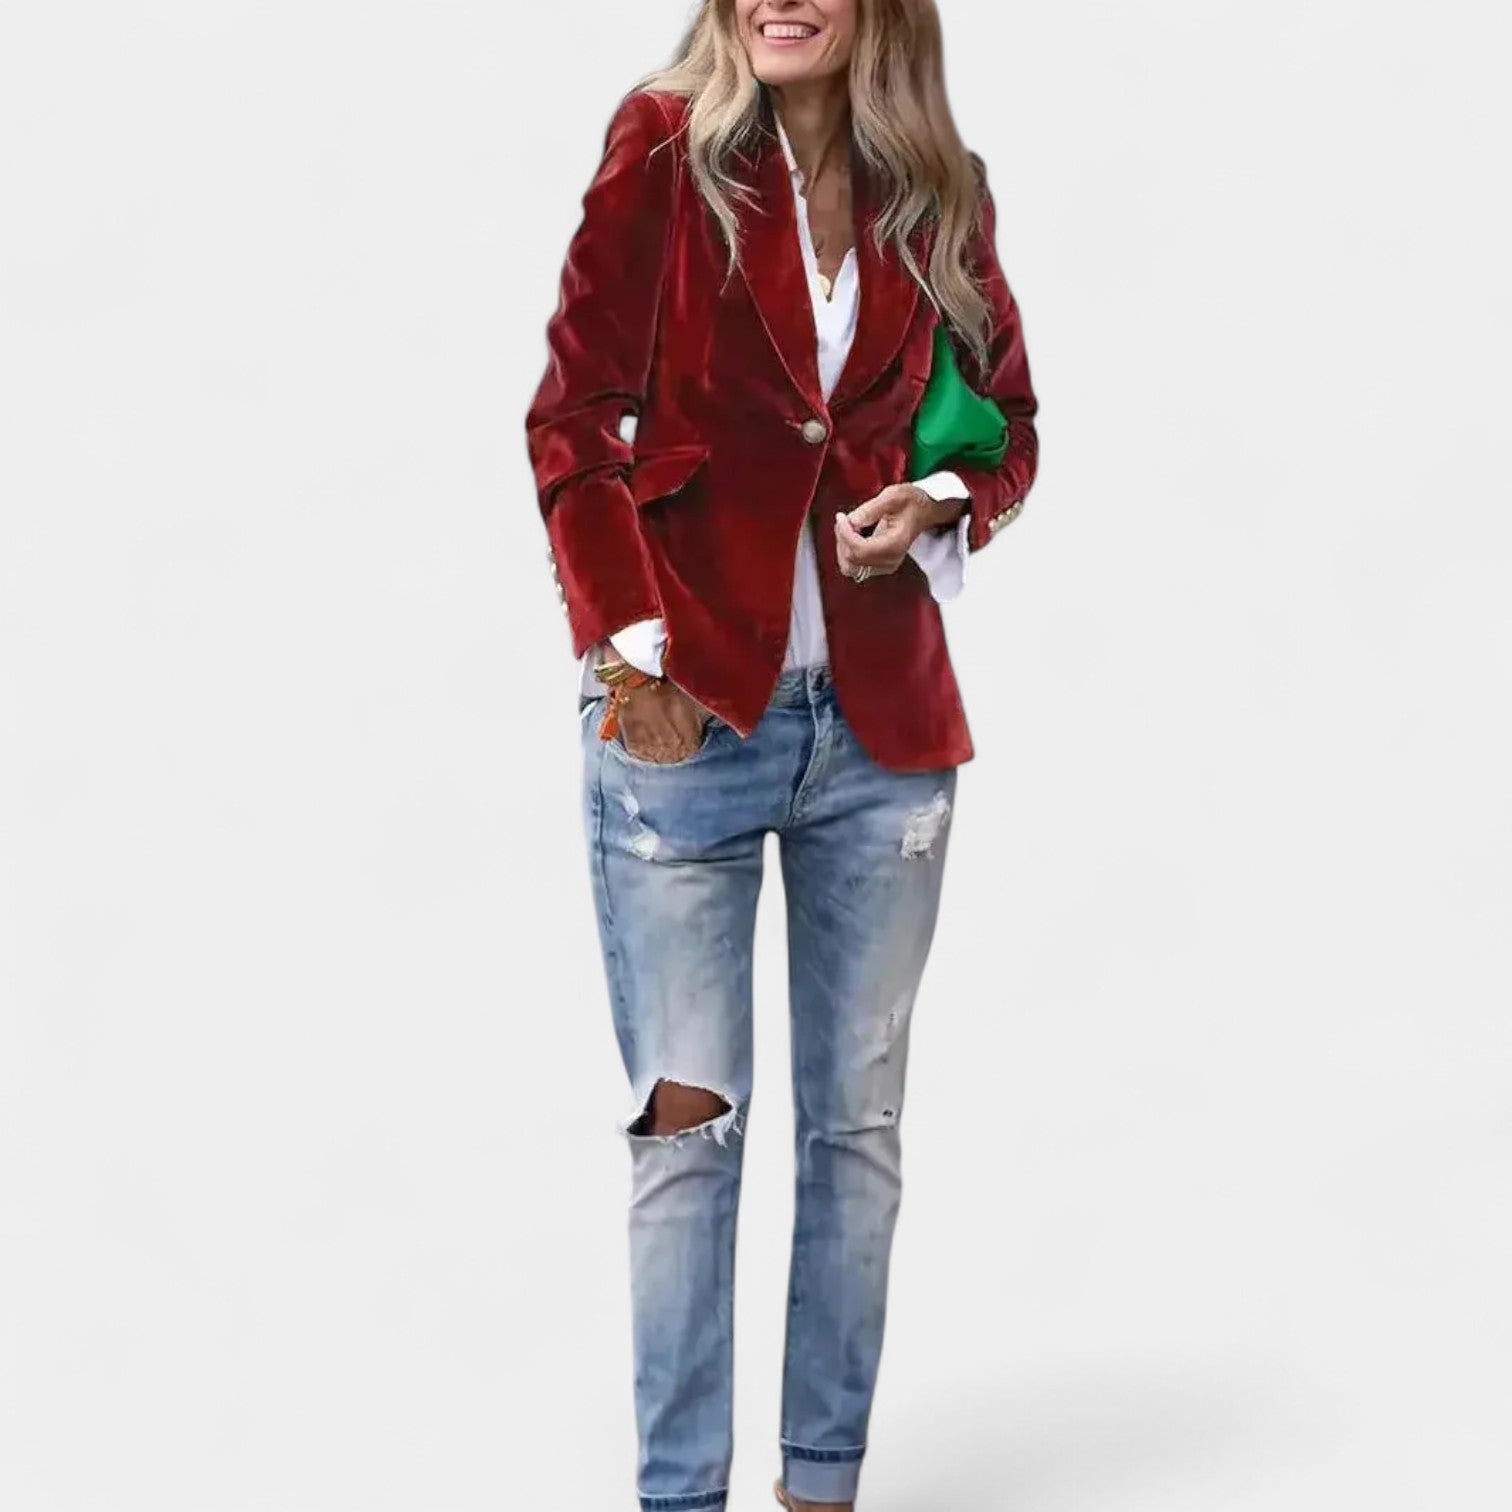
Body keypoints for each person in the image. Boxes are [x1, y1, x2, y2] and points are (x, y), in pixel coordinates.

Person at [524, 3, 1038, 1507]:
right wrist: (631, 657)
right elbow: (575, 423)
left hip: (883, 738)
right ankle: (680, 1497)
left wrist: (938, 499)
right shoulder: (662, 151)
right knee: (688, 1138)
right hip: (685, 723)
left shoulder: (939, 185)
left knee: (857, 1134)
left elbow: (1008, 425)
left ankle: (823, 1489)